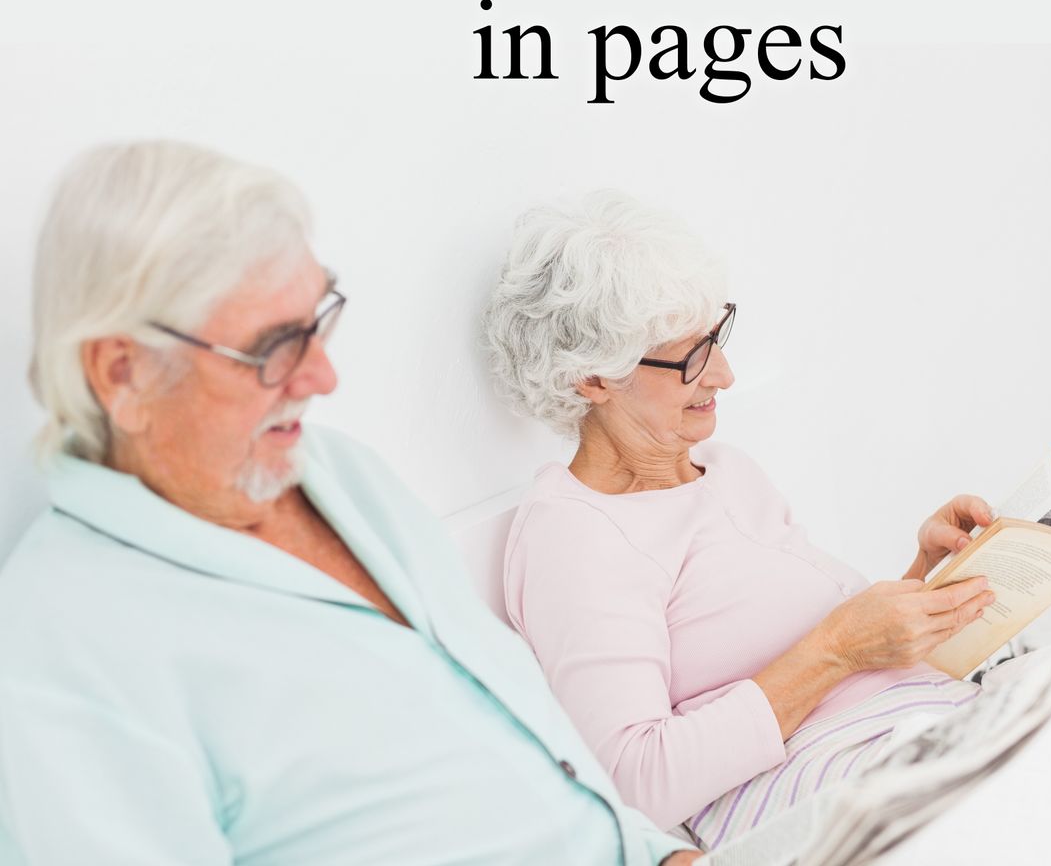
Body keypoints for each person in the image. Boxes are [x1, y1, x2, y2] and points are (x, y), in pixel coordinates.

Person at [0, 143, 700, 866]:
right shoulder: (62, 646)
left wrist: (660, 854)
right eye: (273, 347)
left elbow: (522, 741)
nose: (323, 375)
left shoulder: (337, 473)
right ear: (123, 375)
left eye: (317, 319)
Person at [484, 191, 995, 850]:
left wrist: (927, 576)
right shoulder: (576, 535)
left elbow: (833, 654)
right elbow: (637, 778)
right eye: (689, 357)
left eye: (716, 336)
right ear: (591, 380)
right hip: (856, 789)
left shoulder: (726, 468)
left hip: (939, 724)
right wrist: (839, 645)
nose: (723, 373)